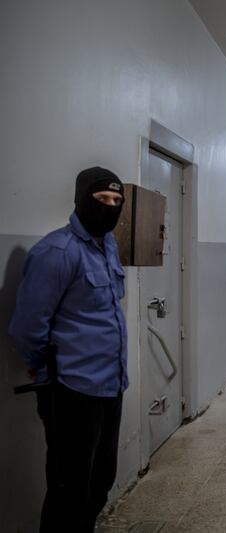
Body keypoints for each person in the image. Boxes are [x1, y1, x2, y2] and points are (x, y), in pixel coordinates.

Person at [9, 167, 128, 533]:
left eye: (116, 201)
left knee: (99, 484)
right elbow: (27, 326)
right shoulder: (57, 252)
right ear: (80, 200)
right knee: (68, 490)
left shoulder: (107, 245)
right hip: (72, 390)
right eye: (102, 199)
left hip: (110, 385)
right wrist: (43, 370)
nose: (110, 207)